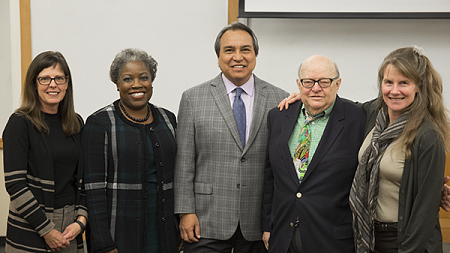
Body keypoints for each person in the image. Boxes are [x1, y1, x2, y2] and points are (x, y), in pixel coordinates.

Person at [174, 22, 289, 252]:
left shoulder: (280, 99)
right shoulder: (193, 98)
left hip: (259, 222)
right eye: (229, 50)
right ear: (218, 56)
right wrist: (186, 211)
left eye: (246, 49)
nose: (238, 57)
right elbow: (184, 161)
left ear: (255, 54)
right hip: (206, 220)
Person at [349, 46, 450, 252]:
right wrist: (303, 98)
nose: (394, 91)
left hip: (404, 242)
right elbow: (341, 106)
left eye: (403, 82)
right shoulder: (374, 115)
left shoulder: (428, 136)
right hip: (368, 237)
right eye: (388, 82)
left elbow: (425, 213)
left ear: (418, 86)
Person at [262, 55, 366, 253]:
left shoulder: (357, 119)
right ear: (299, 84)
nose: (316, 88)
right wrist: (267, 226)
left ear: (338, 84)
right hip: (283, 238)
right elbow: (270, 177)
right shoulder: (278, 116)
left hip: (332, 240)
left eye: (324, 82)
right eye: (308, 82)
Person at [82, 48, 178, 253]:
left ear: (152, 81)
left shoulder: (168, 119)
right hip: (119, 235)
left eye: (144, 77)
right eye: (128, 79)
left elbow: (179, 178)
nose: (137, 84)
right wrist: (104, 244)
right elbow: (94, 189)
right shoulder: (99, 123)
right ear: (117, 84)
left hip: (166, 231)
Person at [3, 51, 87, 252]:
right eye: (45, 79)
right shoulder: (19, 123)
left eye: (59, 78)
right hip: (32, 225)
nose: (53, 84)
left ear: (67, 84)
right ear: (34, 83)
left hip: (71, 228)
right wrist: (47, 230)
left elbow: (84, 178)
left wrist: (81, 221)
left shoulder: (76, 123)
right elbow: (15, 185)